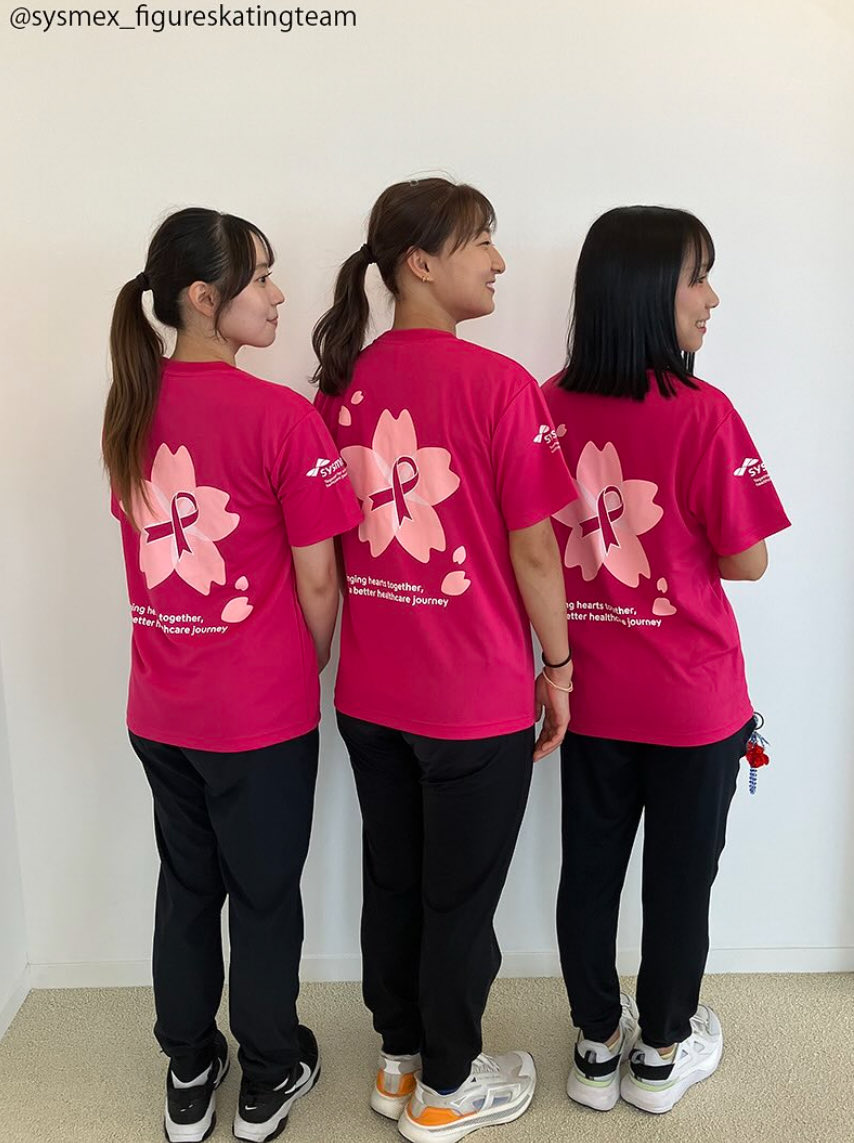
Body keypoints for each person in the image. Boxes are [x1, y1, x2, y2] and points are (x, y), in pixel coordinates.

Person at [313, 177, 575, 1142]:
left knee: (394, 878)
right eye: (483, 244)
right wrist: (560, 666)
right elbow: (537, 549)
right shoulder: (500, 387)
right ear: (421, 263)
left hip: (373, 696)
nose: (499, 262)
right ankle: (446, 1088)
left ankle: (397, 1062)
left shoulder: (339, 386)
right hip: (472, 704)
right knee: (458, 902)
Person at [102, 207, 361, 1143]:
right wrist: (313, 653)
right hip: (258, 715)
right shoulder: (282, 417)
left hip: (159, 707)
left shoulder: (128, 404)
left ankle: (188, 1063)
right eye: (262, 277)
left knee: (187, 884)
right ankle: (265, 1070)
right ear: (204, 298)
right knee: (261, 894)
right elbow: (320, 575)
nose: (279, 293)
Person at [543, 206, 791, 1115]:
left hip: (588, 696)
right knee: (681, 881)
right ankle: (661, 1052)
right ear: (650, 292)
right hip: (692, 704)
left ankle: (595, 1044)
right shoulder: (703, 413)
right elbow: (749, 557)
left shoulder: (543, 403)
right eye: (698, 278)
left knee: (589, 870)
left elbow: (526, 541)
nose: (712, 298)